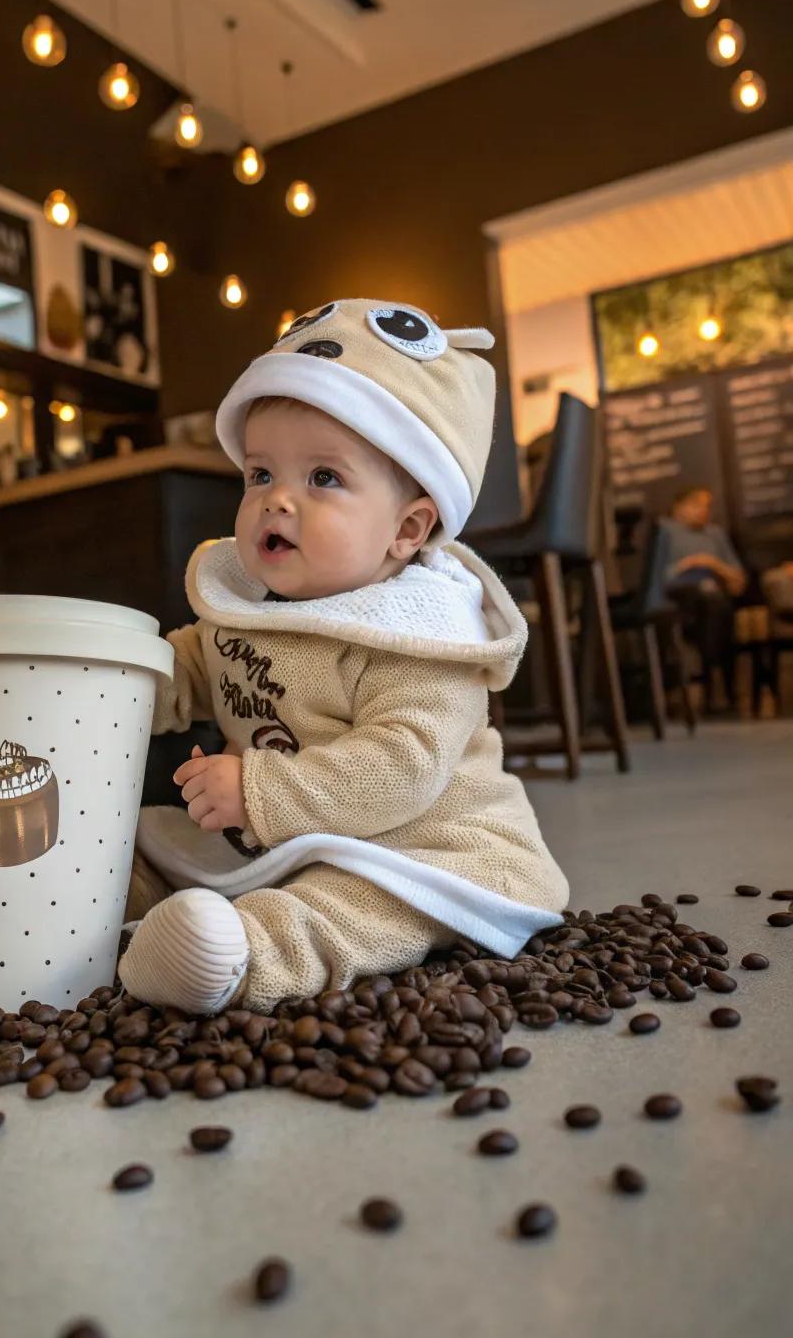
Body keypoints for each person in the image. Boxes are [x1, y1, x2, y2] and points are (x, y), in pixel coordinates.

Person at [117, 298, 569, 1015]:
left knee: (352, 908)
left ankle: (240, 957)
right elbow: (195, 670)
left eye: (323, 478)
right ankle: (110, 909)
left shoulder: (419, 636)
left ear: (406, 529)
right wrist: (116, 684)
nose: (278, 502)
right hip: (275, 841)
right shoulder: (258, 605)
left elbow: (404, 764)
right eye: (260, 474)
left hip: (418, 846)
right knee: (137, 839)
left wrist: (259, 793)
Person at [657, 486, 746, 710]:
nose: (703, 510)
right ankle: (714, 677)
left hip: (715, 594)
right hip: (679, 596)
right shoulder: (665, 531)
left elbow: (738, 578)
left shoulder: (715, 534)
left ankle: (713, 678)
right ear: (679, 506)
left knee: (715, 600)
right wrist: (689, 564)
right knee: (710, 600)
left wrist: (710, 563)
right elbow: (657, 577)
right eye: (696, 504)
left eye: (707, 506)